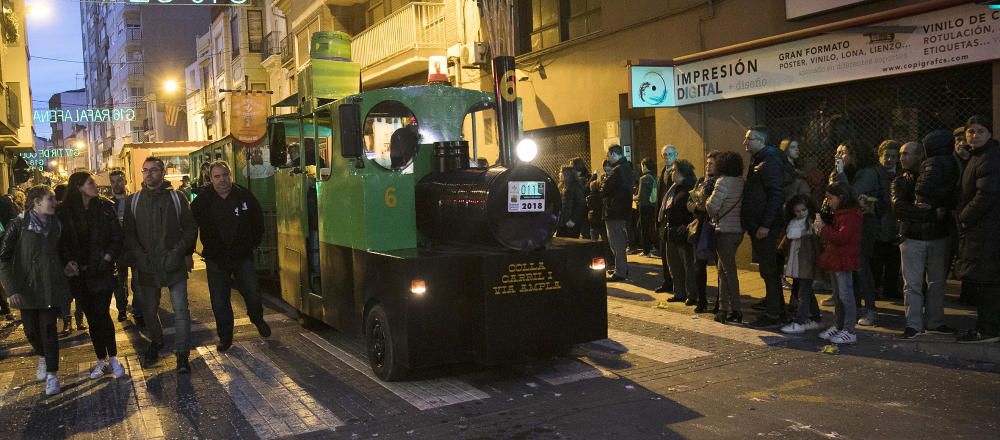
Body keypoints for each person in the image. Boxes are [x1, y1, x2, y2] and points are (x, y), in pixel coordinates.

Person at [122, 156, 198, 373]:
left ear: (162, 172)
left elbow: (190, 227)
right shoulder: (134, 201)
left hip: (173, 263)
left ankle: (182, 354)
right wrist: (140, 256)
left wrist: (178, 252)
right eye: (145, 170)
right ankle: (156, 341)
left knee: (181, 311)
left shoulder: (177, 198)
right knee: (148, 310)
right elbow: (129, 233)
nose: (148, 174)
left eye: (153, 170)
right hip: (147, 265)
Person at [191, 161, 271, 352]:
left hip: (242, 257)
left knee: (252, 293)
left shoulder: (244, 196)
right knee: (219, 302)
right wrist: (188, 253)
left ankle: (257, 318)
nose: (222, 180)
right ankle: (225, 337)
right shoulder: (203, 201)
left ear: (230, 175)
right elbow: (191, 227)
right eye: (217, 176)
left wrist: (252, 244)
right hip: (216, 259)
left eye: (225, 175)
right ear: (210, 179)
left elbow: (258, 222)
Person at [0, 185, 71, 395]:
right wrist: (11, 289)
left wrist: (68, 264)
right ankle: (42, 356)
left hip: (50, 287)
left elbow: (62, 251)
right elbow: (3, 258)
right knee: (31, 332)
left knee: (49, 331)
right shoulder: (18, 225)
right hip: (26, 289)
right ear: (36, 202)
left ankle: (52, 375)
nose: (55, 202)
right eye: (50, 199)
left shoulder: (56, 225)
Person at [57, 172, 126, 379]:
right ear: (79, 187)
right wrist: (68, 262)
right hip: (79, 275)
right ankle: (101, 360)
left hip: (101, 271)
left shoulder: (104, 207)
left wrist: (108, 257)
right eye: (90, 183)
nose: (96, 186)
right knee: (92, 318)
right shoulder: (64, 212)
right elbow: (61, 242)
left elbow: (117, 236)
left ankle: (113, 358)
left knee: (102, 314)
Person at [893, 140, 957, 340]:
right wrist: (931, 213)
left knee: (936, 283)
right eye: (901, 154)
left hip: (935, 236)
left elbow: (944, 205)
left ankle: (934, 322)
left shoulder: (935, 177)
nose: (902, 157)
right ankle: (913, 324)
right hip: (912, 237)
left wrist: (928, 211)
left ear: (920, 155)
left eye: (907, 153)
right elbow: (899, 208)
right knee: (912, 284)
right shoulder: (900, 181)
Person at [955, 116, 1000, 343]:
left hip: (986, 231)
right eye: (970, 131)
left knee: (987, 281)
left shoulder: (989, 157)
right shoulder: (978, 156)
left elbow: (986, 194)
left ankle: (988, 329)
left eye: (980, 131)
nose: (974, 135)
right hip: (982, 229)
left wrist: (964, 217)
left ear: (989, 134)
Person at [828, 140, 882, 326]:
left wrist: (840, 174)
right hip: (846, 221)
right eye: (837, 152)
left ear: (854, 154)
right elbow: (834, 194)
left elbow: (850, 194)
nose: (839, 157)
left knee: (861, 264)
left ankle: (871, 309)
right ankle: (854, 305)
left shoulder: (867, 173)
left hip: (864, 223)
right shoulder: (842, 172)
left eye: (843, 153)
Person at [741, 126, 787, 328]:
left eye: (748, 139)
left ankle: (774, 313)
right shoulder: (759, 160)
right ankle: (774, 306)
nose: (745, 142)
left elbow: (775, 194)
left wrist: (766, 224)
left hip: (765, 227)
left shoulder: (769, 161)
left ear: (760, 140)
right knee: (767, 270)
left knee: (769, 270)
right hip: (758, 225)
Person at [815, 182, 863, 344]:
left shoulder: (850, 216)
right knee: (838, 296)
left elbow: (842, 238)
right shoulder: (842, 214)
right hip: (837, 259)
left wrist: (823, 229)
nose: (829, 202)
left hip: (844, 260)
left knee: (845, 296)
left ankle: (849, 330)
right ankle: (839, 325)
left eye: (830, 198)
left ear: (841, 197)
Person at [707, 151, 745, 324]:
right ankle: (722, 309)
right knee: (723, 270)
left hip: (725, 230)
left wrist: (705, 202)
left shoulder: (723, 182)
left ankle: (735, 309)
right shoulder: (740, 182)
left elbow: (712, 206)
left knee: (728, 271)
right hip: (738, 230)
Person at [779, 194, 824, 334]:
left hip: (805, 263)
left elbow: (814, 247)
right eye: (797, 211)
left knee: (803, 292)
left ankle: (801, 320)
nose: (800, 213)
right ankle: (815, 318)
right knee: (807, 291)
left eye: (803, 210)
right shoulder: (794, 224)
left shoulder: (810, 225)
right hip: (798, 263)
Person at [686, 152, 720, 312]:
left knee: (721, 266)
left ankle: (721, 301)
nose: (708, 166)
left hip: (714, 227)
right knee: (699, 265)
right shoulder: (700, 181)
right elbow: (689, 202)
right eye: (707, 163)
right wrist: (696, 207)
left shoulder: (720, 183)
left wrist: (704, 208)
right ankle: (702, 300)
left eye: (711, 164)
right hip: (699, 227)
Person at [660, 160, 697, 304]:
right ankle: (679, 292)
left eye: (674, 170)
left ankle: (691, 294)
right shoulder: (674, 188)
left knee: (687, 265)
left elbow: (694, 208)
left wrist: (686, 224)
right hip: (671, 231)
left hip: (683, 231)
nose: (671, 173)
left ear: (682, 172)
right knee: (674, 265)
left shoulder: (690, 187)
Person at [871, 140, 902, 300]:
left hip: (894, 222)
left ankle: (890, 288)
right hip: (880, 222)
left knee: (894, 259)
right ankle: (876, 288)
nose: (889, 159)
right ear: (880, 156)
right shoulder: (875, 174)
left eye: (893, 156)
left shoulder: (900, 174)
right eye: (886, 156)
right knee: (877, 259)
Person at [109, 170, 140, 324]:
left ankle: (137, 309)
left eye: (119, 180)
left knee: (138, 282)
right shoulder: (108, 203)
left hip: (134, 248)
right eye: (113, 181)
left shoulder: (134, 200)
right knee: (119, 283)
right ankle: (122, 309)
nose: (116, 184)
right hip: (118, 250)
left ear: (125, 181)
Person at [601, 145, 634, 282]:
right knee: (618, 242)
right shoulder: (627, 168)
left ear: (614, 154)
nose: (607, 159)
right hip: (621, 211)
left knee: (616, 243)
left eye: (608, 155)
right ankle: (621, 269)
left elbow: (605, 188)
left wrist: (603, 183)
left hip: (614, 212)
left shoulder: (617, 170)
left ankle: (620, 272)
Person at [656, 145, 678, 287]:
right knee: (664, 253)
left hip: (674, 217)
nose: (667, 157)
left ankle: (676, 283)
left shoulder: (679, 171)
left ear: (676, 155)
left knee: (673, 255)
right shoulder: (663, 171)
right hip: (663, 218)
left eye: (670, 154)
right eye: (664, 154)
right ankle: (667, 281)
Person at [0, 187, 21, 321]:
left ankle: (6, 306)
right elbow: (13, 221)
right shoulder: (5, 202)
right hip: (5, 243)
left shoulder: (5, 202)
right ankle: (8, 306)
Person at [778, 139, 811, 204]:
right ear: (786, 149)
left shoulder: (797, 165)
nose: (797, 149)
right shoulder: (782, 166)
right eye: (793, 147)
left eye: (797, 147)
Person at [556, 166, 586, 238]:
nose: (559, 174)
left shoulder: (575, 186)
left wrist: (573, 220)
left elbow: (581, 204)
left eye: (561, 172)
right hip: (563, 222)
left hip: (571, 223)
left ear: (566, 174)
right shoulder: (563, 186)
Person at [635, 158, 657, 256]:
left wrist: (632, 197)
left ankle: (646, 250)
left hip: (644, 206)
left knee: (644, 228)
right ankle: (655, 247)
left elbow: (640, 196)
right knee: (652, 227)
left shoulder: (643, 178)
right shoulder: (655, 177)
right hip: (653, 206)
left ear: (644, 166)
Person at [570, 157, 592, 239]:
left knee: (585, 230)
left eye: (572, 164)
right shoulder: (573, 177)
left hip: (583, 207)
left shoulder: (586, 177)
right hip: (576, 208)